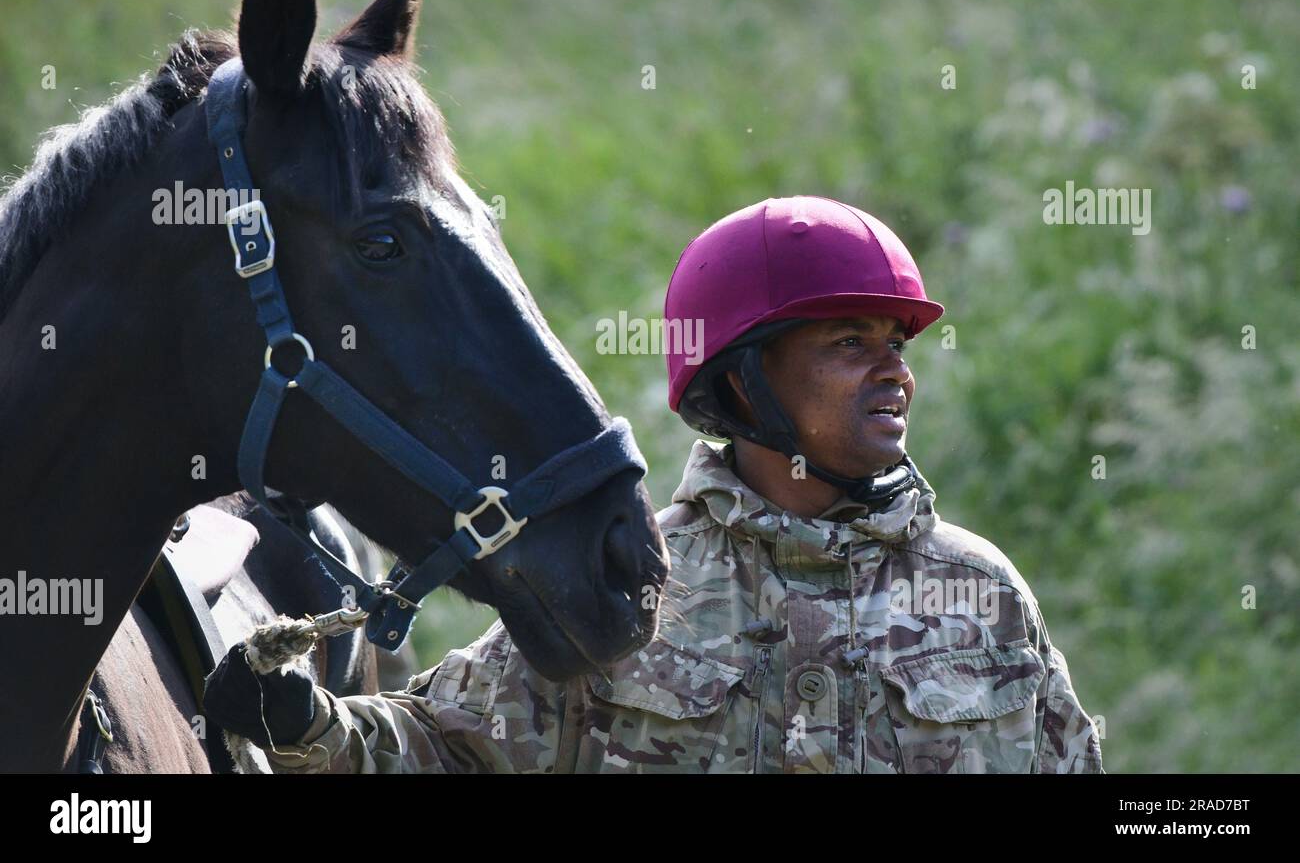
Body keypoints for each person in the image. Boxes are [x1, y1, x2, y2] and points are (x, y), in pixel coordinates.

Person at [204, 195, 1104, 773]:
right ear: (741, 381)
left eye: (896, 347)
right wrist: (308, 727)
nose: (894, 373)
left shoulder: (981, 594)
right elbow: (445, 749)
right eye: (848, 344)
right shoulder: (632, 586)